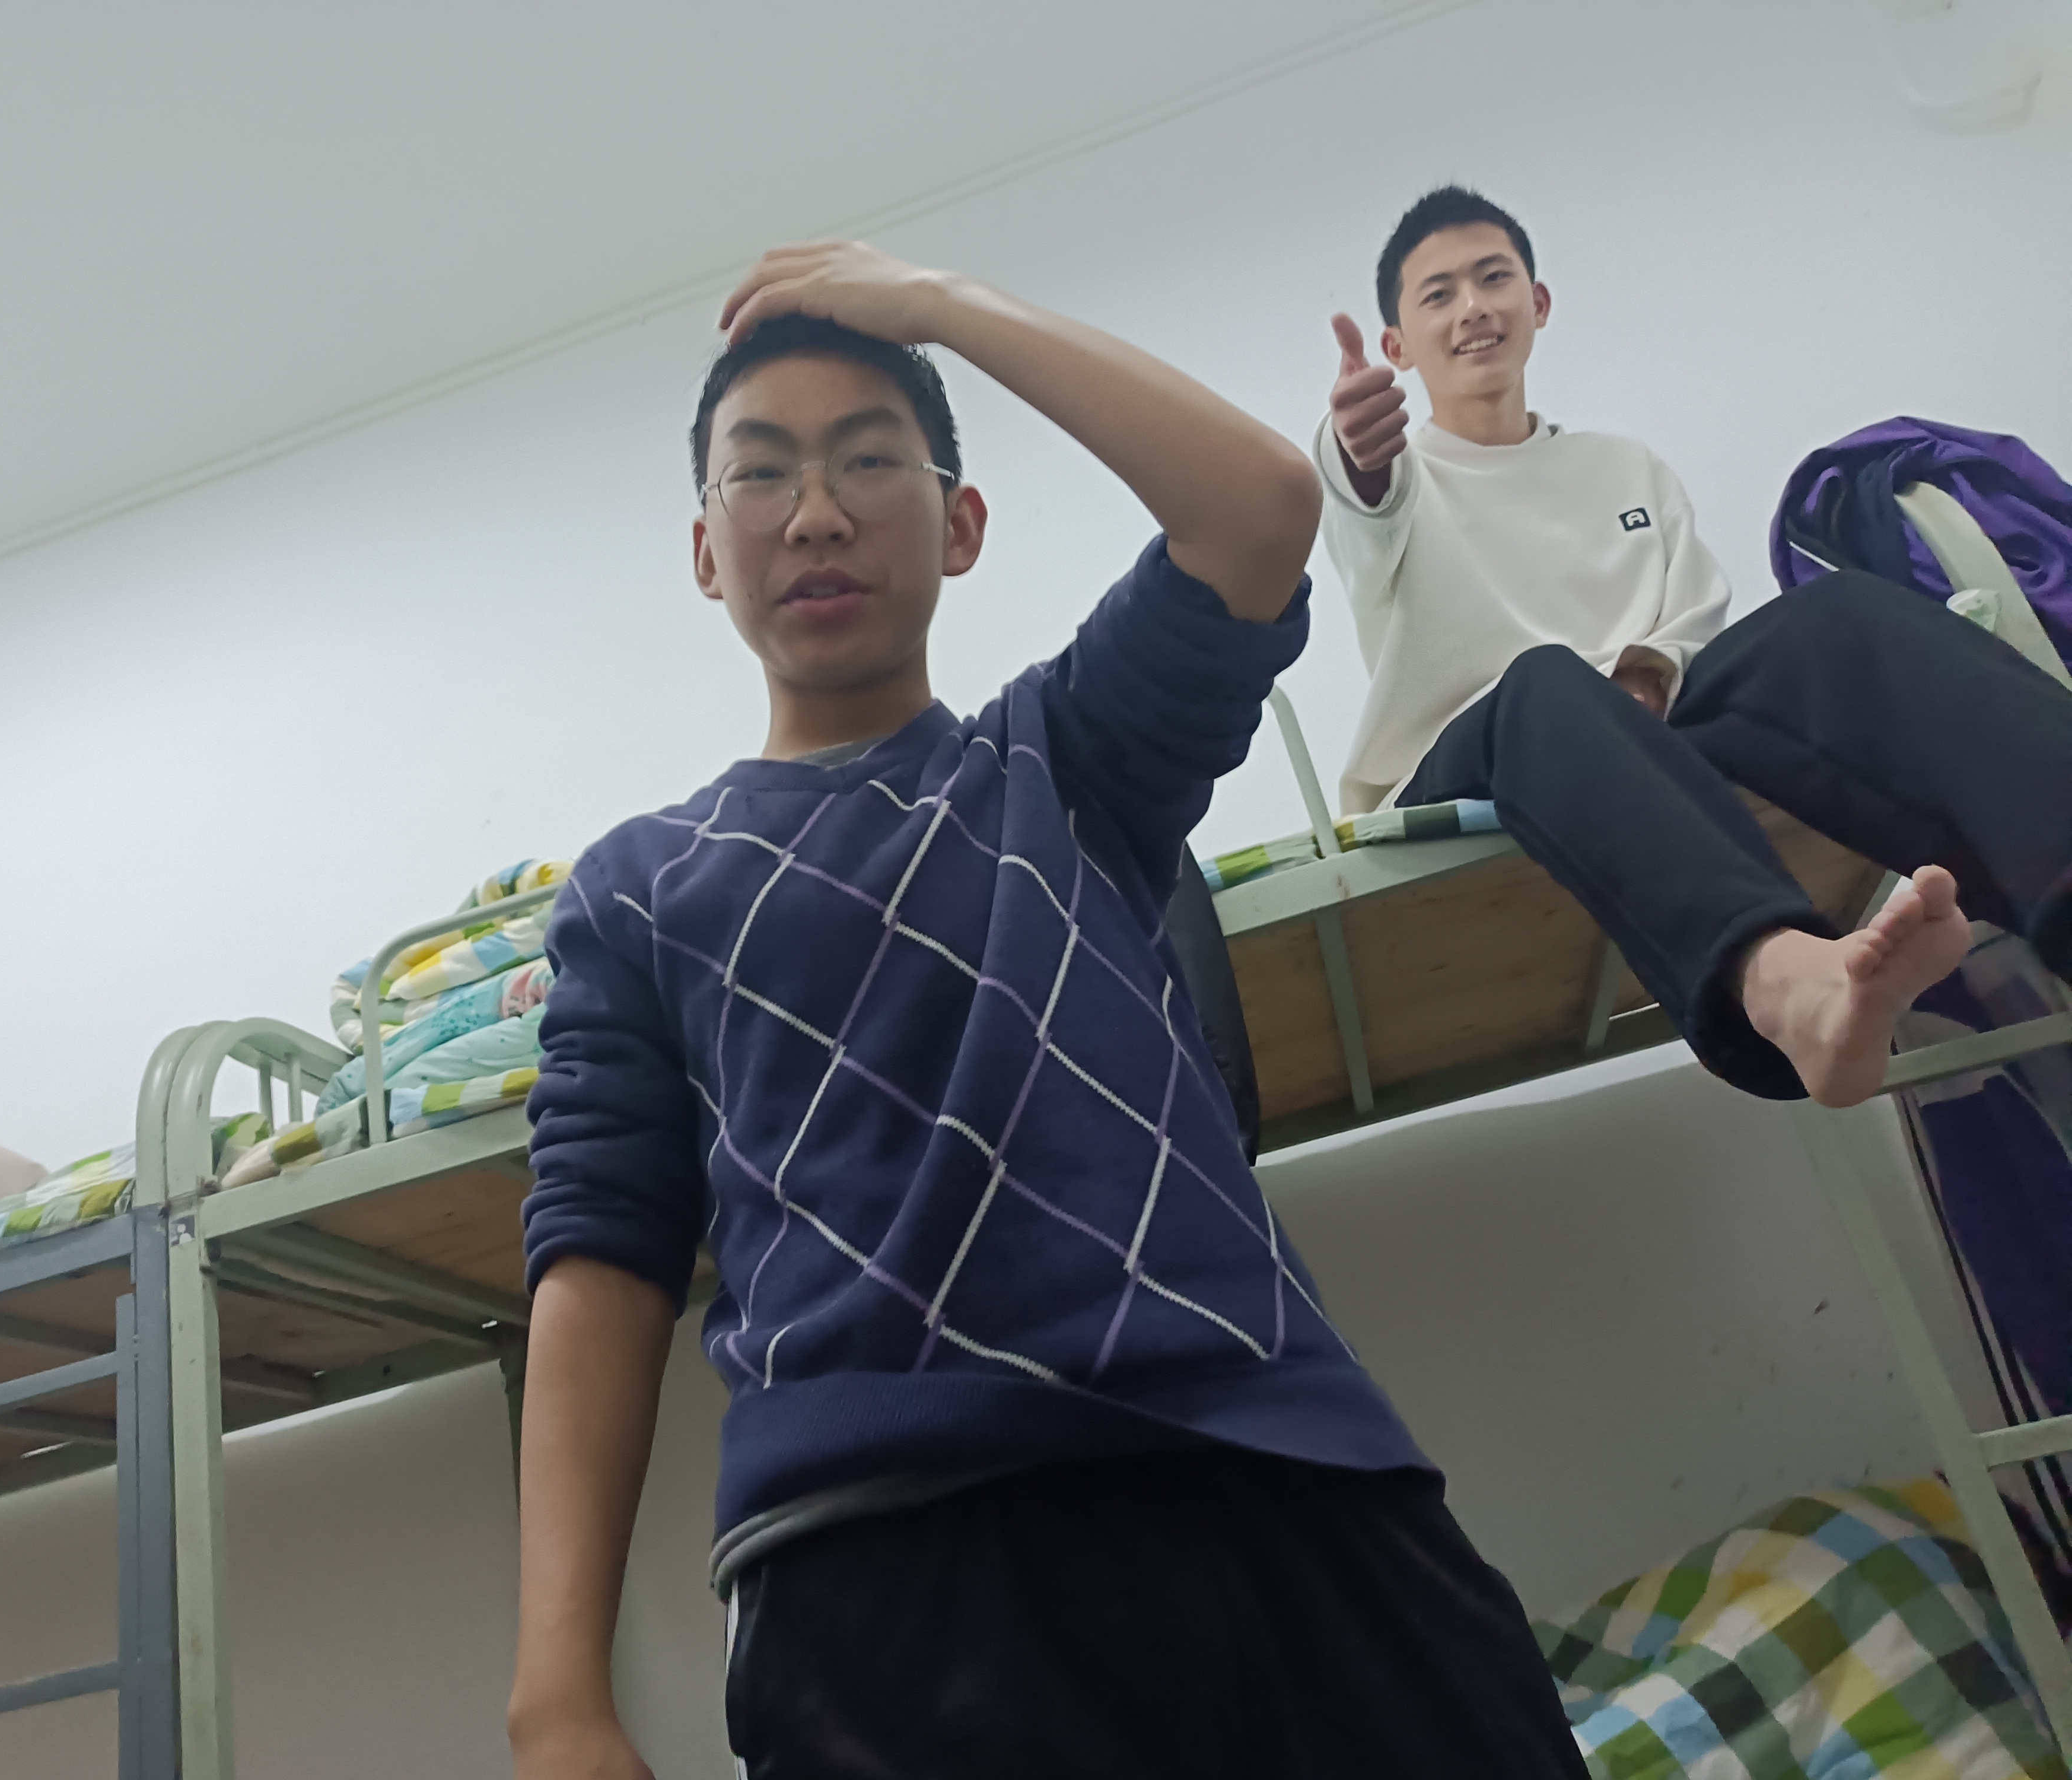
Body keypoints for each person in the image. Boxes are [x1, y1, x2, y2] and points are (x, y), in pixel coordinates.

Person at [509, 242, 1587, 1779]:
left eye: (866, 459)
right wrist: (556, 1699)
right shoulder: (635, 887)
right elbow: (599, 1260)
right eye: (760, 474)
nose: (814, 513)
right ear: (704, 551)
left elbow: (1258, 509)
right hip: (884, 1562)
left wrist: (940, 307)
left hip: (1276, 1473)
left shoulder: (1059, 760)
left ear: (961, 526)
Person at [1319, 184, 2072, 1108]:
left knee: (1837, 616)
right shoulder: (1394, 475)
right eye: (1438, 295)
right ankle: (1783, 982)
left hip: (1645, 728)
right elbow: (1360, 491)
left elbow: (1691, 619)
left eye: (1493, 279)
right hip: (1472, 756)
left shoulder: (1626, 467)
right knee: (1547, 680)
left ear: (1538, 303)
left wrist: (1646, 674)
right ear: (1397, 347)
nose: (1471, 307)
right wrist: (1354, 448)